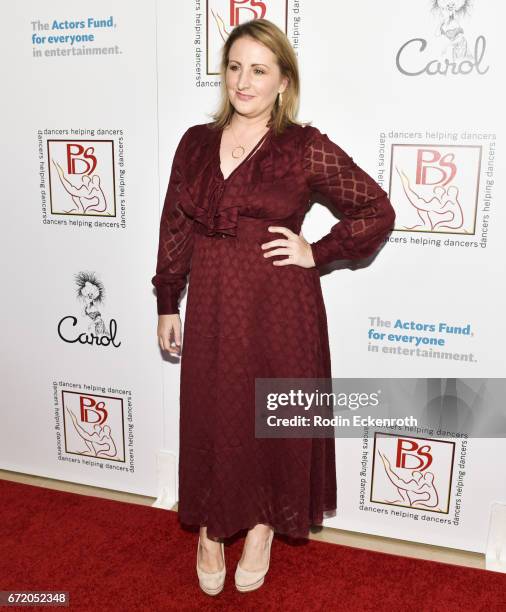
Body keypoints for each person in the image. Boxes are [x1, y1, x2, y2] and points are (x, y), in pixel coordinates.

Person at [151, 18, 396, 596]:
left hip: (280, 304)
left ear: (283, 80)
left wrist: (320, 250)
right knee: (214, 413)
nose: (243, 80)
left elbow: (376, 210)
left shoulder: (303, 146)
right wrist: (168, 299)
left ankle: (260, 527)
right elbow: (175, 225)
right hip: (212, 301)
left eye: (259, 69)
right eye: (235, 67)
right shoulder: (194, 142)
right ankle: (211, 530)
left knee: (273, 416)